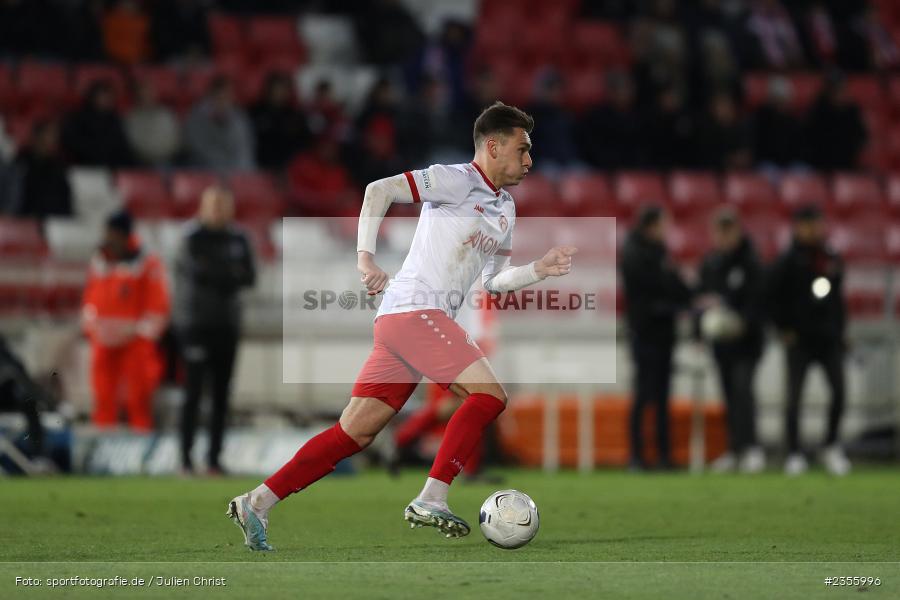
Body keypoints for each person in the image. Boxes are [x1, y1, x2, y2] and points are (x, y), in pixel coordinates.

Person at [227, 101, 577, 551]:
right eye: (522, 149)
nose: (530, 160)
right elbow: (378, 190)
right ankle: (432, 496)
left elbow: (494, 281)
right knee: (489, 396)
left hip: (407, 321)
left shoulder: (505, 208)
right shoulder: (456, 179)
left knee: (354, 432)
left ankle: (257, 502)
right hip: (415, 311)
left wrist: (538, 270)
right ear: (493, 146)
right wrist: (365, 258)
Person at [174, 187, 256, 476]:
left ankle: (214, 460)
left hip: (227, 325)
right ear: (203, 207)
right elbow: (201, 274)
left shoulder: (239, 238)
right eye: (214, 205)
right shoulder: (192, 238)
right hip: (196, 325)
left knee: (221, 395)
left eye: (223, 205)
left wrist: (221, 272)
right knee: (193, 393)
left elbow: (249, 277)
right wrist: (229, 273)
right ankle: (185, 459)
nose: (218, 210)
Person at [767, 205, 850, 476]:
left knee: (839, 392)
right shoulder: (787, 261)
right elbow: (772, 297)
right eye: (809, 225)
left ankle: (831, 445)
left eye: (817, 224)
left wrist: (841, 331)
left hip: (828, 339)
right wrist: (783, 328)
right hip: (800, 340)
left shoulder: (831, 257)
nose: (814, 230)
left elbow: (838, 301)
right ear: (798, 227)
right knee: (794, 397)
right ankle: (794, 452)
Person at [81, 211, 169, 431]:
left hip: (135, 341)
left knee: (138, 396)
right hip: (103, 340)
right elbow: (91, 296)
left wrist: (142, 331)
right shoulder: (100, 260)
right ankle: (102, 438)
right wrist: (92, 327)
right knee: (103, 395)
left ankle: (140, 440)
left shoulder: (146, 263)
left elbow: (157, 303)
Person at [620, 205, 691, 471]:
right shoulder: (635, 253)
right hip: (646, 332)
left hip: (662, 332)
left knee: (661, 396)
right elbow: (656, 286)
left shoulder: (657, 252)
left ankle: (663, 455)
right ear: (652, 226)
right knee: (644, 395)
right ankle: (637, 456)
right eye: (662, 225)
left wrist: (688, 295)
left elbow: (673, 284)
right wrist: (678, 297)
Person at [696, 209, 765, 474]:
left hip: (747, 342)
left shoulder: (751, 262)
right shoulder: (711, 263)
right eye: (720, 231)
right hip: (722, 342)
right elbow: (701, 298)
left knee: (742, 389)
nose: (724, 237)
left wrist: (743, 322)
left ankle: (752, 447)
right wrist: (699, 332)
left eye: (728, 231)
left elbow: (759, 300)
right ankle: (734, 448)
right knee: (728, 393)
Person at [184, 76, 255, 171]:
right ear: (211, 96)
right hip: (205, 170)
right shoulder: (197, 117)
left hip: (236, 171)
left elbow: (244, 150)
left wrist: (242, 173)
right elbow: (200, 150)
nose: (223, 101)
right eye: (219, 97)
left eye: (227, 96)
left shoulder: (239, 118)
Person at [62, 80, 134, 168]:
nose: (107, 100)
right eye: (103, 96)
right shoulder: (77, 117)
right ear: (93, 97)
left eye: (109, 97)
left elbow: (122, 146)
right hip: (84, 163)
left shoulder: (115, 119)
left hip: (112, 165)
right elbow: (73, 143)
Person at [10, 120, 72, 220]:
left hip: (52, 219)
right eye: (48, 135)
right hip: (22, 218)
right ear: (37, 136)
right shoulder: (21, 161)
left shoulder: (58, 166)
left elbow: (64, 201)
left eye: (54, 137)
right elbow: (14, 195)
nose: (52, 140)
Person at [124, 80, 181, 166]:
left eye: (150, 92)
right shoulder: (132, 117)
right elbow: (135, 144)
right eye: (143, 93)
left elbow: (176, 138)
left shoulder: (166, 113)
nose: (148, 96)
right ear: (137, 96)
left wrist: (169, 153)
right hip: (144, 161)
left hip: (170, 158)